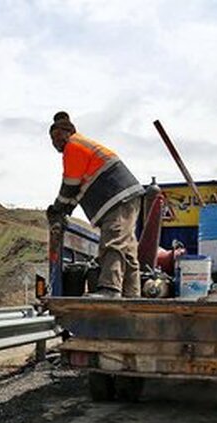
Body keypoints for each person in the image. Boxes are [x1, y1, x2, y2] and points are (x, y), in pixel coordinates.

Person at [46, 111, 144, 298]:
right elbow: (78, 191)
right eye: (52, 138)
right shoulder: (83, 148)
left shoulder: (73, 146)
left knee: (113, 242)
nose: (56, 142)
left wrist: (58, 208)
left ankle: (110, 289)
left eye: (58, 136)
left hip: (116, 197)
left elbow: (70, 185)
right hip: (125, 197)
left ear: (69, 132)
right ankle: (132, 294)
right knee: (127, 250)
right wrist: (65, 209)